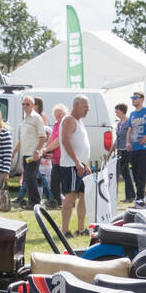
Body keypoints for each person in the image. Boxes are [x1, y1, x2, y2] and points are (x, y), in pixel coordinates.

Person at [59, 95, 91, 236]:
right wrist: (77, 162)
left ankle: (81, 228)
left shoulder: (79, 122)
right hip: (71, 165)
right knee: (70, 196)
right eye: (85, 107)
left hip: (81, 165)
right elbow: (66, 141)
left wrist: (85, 164)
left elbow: (81, 146)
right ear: (76, 106)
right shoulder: (69, 120)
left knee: (83, 196)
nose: (87, 110)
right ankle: (64, 230)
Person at [11, 94, 47, 207]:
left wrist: (37, 151)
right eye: (23, 104)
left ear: (33, 105)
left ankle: (35, 201)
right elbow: (22, 139)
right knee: (28, 177)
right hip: (25, 154)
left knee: (29, 176)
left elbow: (43, 136)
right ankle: (33, 201)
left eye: (27, 104)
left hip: (33, 153)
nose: (25, 106)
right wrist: (14, 152)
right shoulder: (25, 119)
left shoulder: (36, 118)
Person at [43, 104, 68, 207]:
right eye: (56, 114)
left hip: (66, 159)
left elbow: (58, 141)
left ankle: (68, 203)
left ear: (65, 113)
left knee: (66, 183)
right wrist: (45, 149)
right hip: (56, 159)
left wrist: (47, 149)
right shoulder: (56, 125)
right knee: (54, 182)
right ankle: (57, 202)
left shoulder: (65, 124)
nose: (58, 115)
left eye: (60, 113)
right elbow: (52, 138)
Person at [113, 102, 135, 201]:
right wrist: (110, 152)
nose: (115, 113)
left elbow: (131, 135)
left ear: (122, 111)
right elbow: (117, 139)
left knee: (125, 172)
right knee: (123, 172)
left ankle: (130, 196)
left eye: (117, 111)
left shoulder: (129, 122)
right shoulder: (119, 124)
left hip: (127, 150)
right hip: (120, 151)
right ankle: (128, 195)